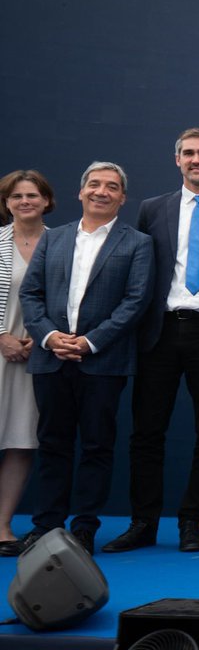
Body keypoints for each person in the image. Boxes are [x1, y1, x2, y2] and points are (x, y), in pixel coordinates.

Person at [105, 127, 199, 554]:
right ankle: (143, 522)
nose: (196, 160)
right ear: (177, 160)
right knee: (147, 431)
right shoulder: (153, 209)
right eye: (188, 153)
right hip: (160, 331)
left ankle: (192, 522)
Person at [18, 162, 154, 554]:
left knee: (96, 446)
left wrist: (91, 341)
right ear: (81, 192)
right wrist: (49, 336)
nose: (101, 191)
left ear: (122, 198)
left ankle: (84, 528)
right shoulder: (53, 238)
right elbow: (31, 294)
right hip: (51, 358)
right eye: (94, 185)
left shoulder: (137, 243)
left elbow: (136, 301)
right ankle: (46, 526)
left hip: (102, 361)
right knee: (53, 443)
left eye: (111, 187)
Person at [0, 171, 54, 556]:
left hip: (38, 353)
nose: (25, 201)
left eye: (32, 195)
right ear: (6, 203)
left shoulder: (61, 241)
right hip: (1, 348)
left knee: (21, 441)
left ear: (47, 200)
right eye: (16, 196)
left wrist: (44, 335)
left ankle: (3, 525)